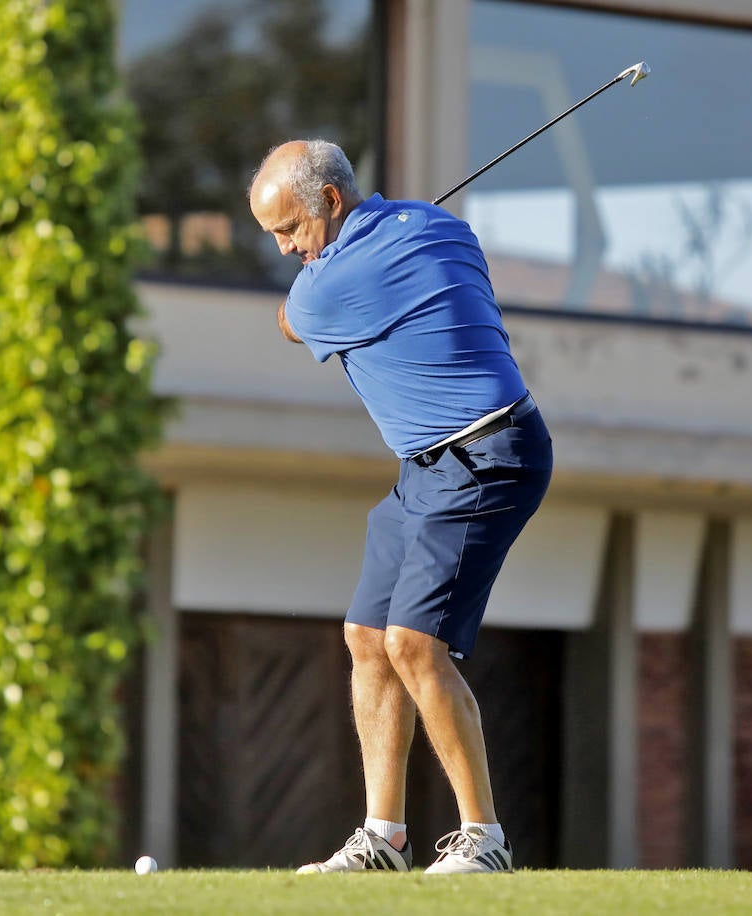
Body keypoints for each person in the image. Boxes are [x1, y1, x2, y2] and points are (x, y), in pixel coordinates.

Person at [247, 139, 552, 875]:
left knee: (414, 643)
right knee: (366, 635)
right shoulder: (441, 225)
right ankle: (384, 838)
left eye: (290, 229)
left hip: (488, 455)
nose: (286, 248)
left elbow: (290, 322)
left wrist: (319, 278)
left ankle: (484, 840)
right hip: (425, 466)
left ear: (331, 200)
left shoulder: (323, 289)